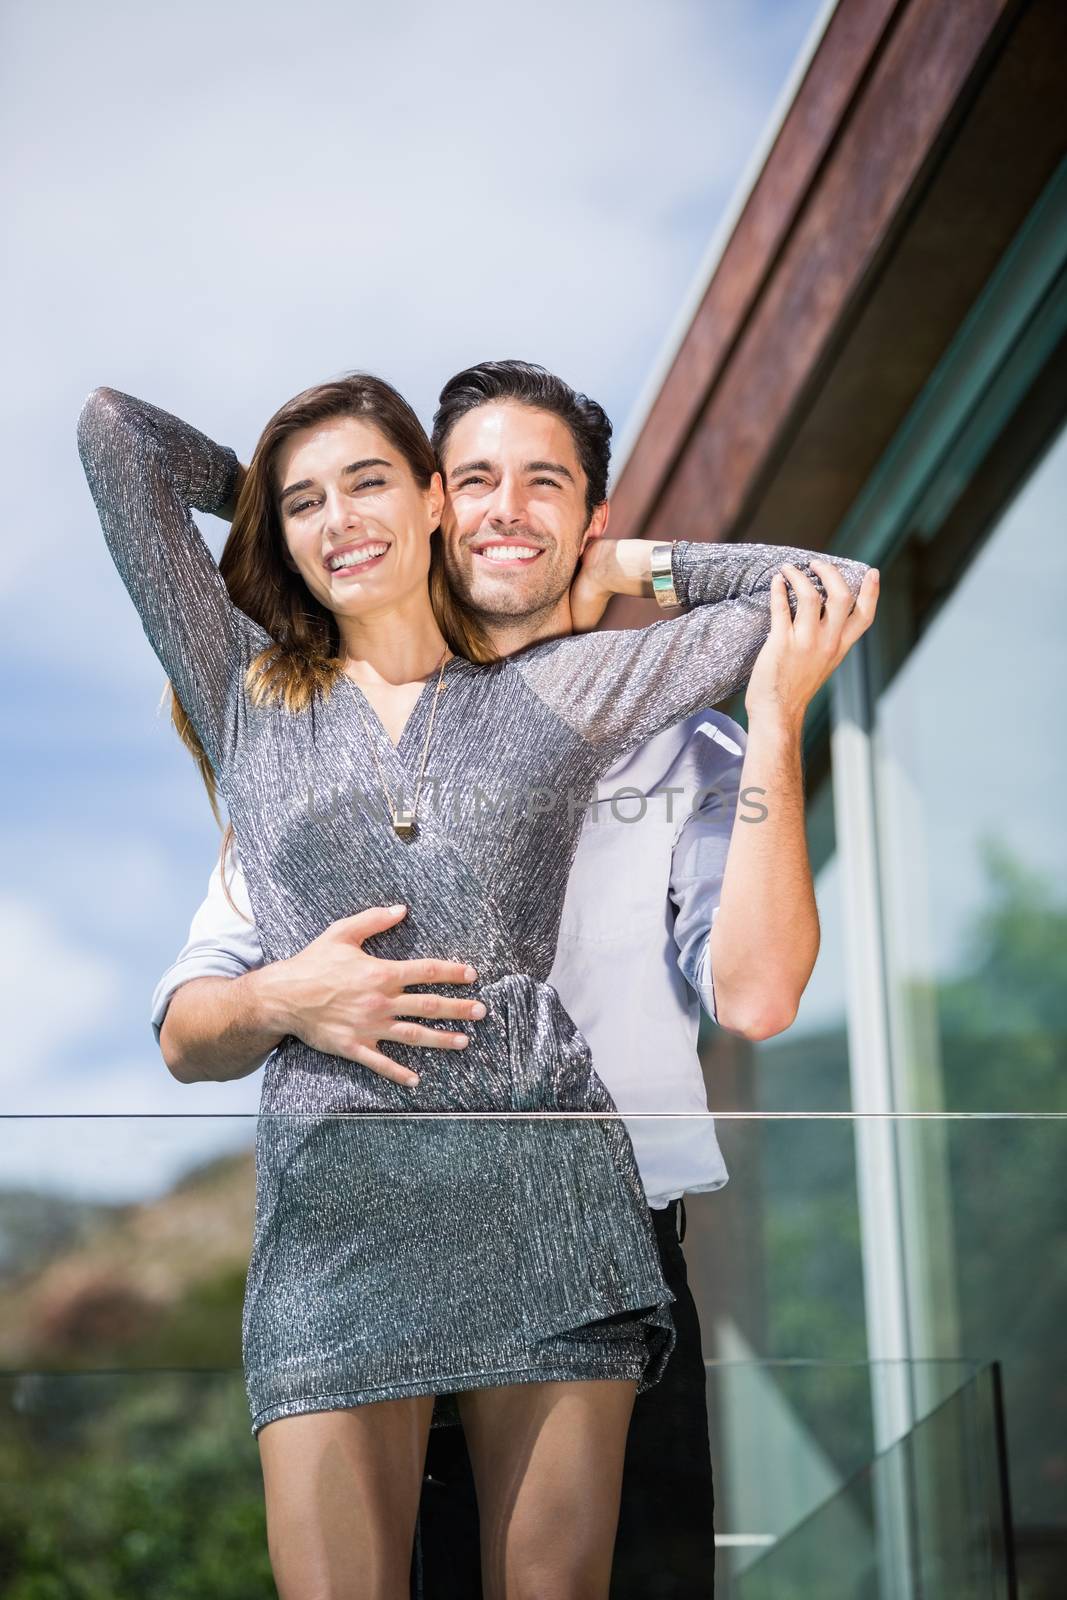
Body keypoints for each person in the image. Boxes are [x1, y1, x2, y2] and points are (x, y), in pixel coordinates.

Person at [77, 362, 876, 1600]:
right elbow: (115, 440)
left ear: (443, 505)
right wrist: (307, 512)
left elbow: (827, 590)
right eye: (310, 502)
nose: (342, 515)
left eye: (373, 486)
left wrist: (624, 574)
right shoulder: (248, 699)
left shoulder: (578, 695)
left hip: (564, 1200)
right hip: (338, 1219)